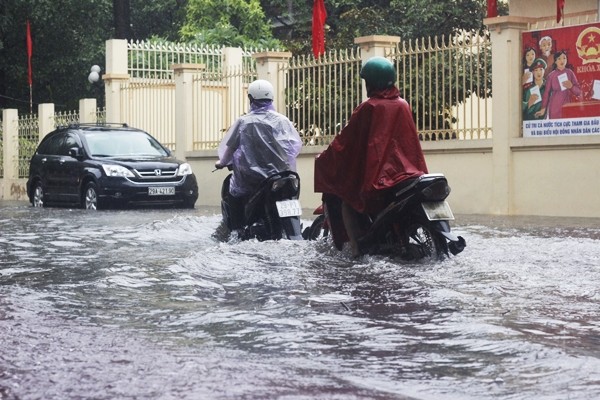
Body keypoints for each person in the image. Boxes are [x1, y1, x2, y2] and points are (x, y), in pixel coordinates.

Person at [314, 56, 428, 257]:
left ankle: (357, 252)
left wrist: (325, 158)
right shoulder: (403, 105)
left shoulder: (370, 107)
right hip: (407, 174)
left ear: (372, 82)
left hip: (380, 177)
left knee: (348, 200)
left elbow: (346, 141)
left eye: (366, 81)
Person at [215, 79, 302, 229]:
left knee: (233, 192)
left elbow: (230, 147)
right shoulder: (282, 121)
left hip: (250, 180)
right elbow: (293, 147)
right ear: (272, 98)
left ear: (250, 98)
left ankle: (237, 230)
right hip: (281, 177)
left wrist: (222, 163)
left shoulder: (244, 122)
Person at [535, 50, 581, 120]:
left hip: (568, 107)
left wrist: (571, 87)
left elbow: (579, 92)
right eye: (559, 59)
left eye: (564, 58)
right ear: (555, 61)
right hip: (554, 108)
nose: (562, 60)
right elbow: (546, 93)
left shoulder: (570, 73)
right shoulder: (551, 75)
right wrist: (543, 108)